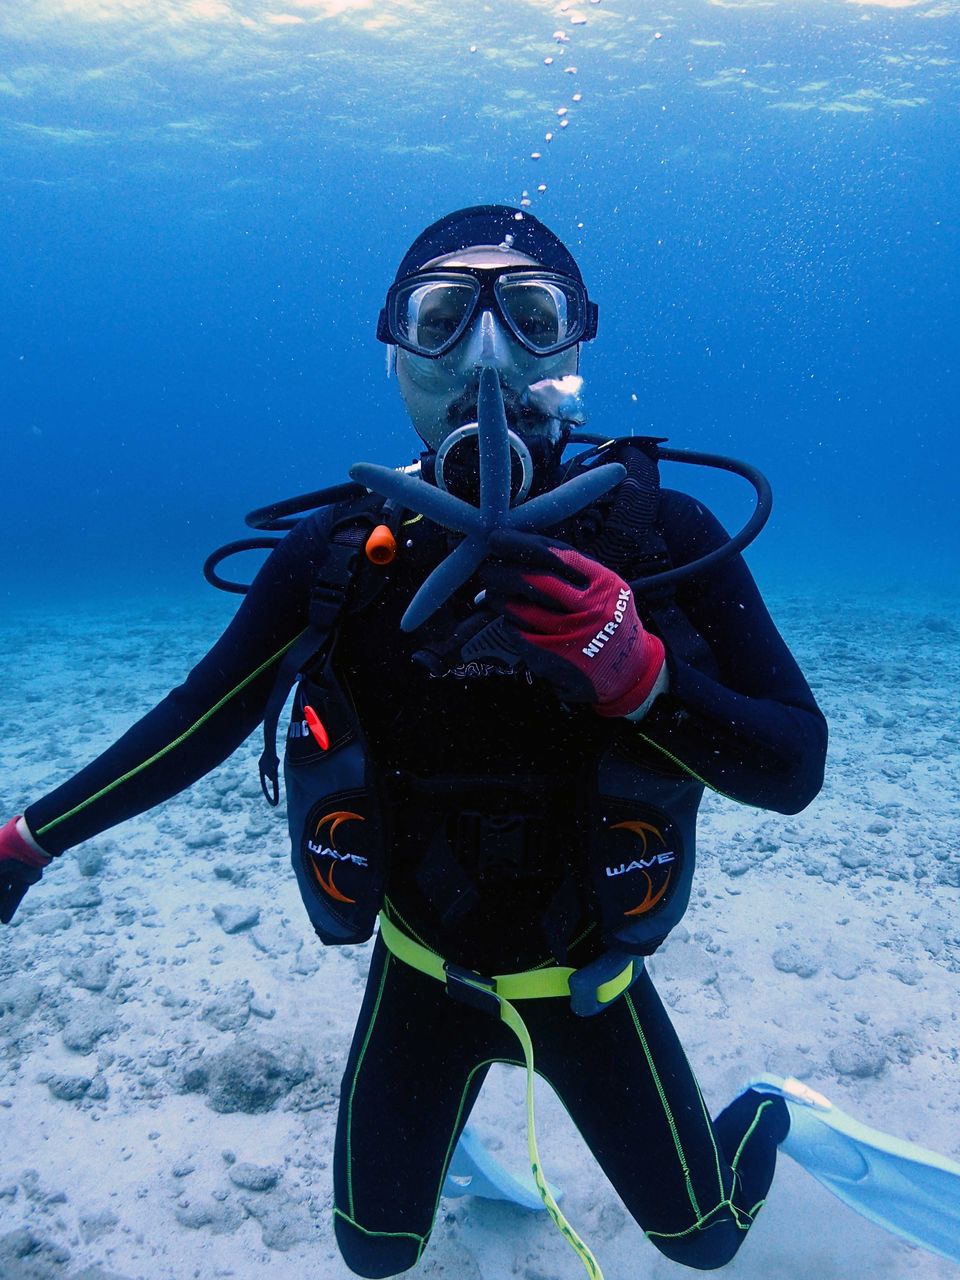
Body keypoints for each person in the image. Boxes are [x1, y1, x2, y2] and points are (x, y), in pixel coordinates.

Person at [1, 205, 830, 1277]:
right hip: (421, 971)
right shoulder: (343, 555)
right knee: (376, 1251)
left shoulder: (661, 538)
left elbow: (794, 766)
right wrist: (26, 840)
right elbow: (197, 722)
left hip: (592, 983)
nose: (486, 358)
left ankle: (765, 1111)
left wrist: (646, 680)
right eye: (441, 319)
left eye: (531, 316)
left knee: (702, 1239)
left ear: (573, 348)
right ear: (394, 352)